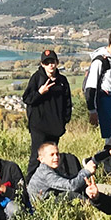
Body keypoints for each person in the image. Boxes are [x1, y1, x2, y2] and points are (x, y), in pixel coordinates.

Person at [22, 49, 72, 179]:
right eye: (47, 62)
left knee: (52, 158)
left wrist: (64, 121)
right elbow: (27, 98)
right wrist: (40, 93)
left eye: (52, 62)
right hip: (39, 127)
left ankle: (50, 182)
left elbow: (67, 103)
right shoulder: (37, 78)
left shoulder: (62, 81)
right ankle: (29, 185)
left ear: (57, 63)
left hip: (55, 127)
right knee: (36, 158)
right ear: (42, 64)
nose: (50, 65)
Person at [26, 142, 96, 204]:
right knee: (71, 194)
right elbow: (71, 186)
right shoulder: (45, 173)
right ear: (41, 159)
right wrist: (87, 171)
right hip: (41, 205)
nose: (56, 157)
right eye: (52, 155)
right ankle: (92, 204)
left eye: (57, 154)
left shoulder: (50, 168)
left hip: (48, 200)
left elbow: (67, 180)